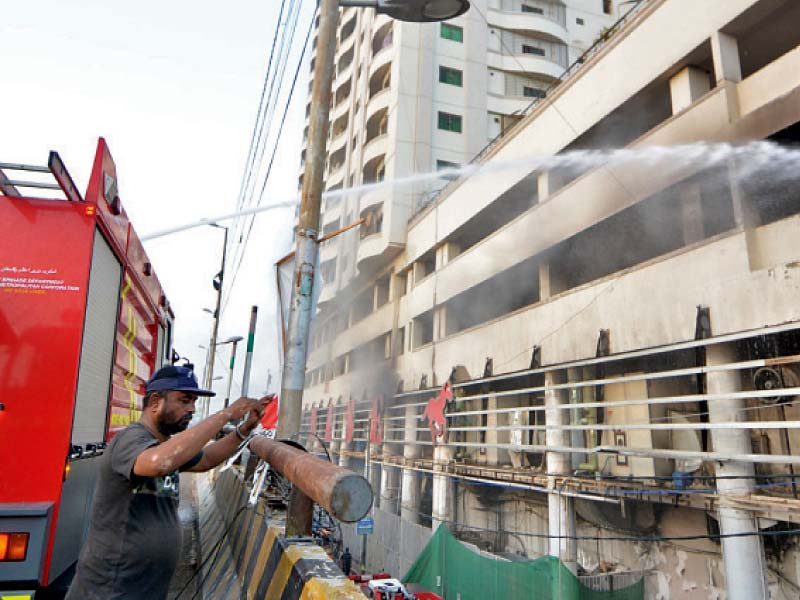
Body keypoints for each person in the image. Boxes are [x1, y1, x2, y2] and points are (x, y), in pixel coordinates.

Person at [65, 365, 273, 600]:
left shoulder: (164, 446)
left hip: (144, 588)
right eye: (184, 401)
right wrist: (225, 414)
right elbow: (157, 463)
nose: (192, 409)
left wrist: (245, 429)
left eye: (194, 402)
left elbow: (205, 459)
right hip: (110, 589)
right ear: (155, 401)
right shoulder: (131, 439)